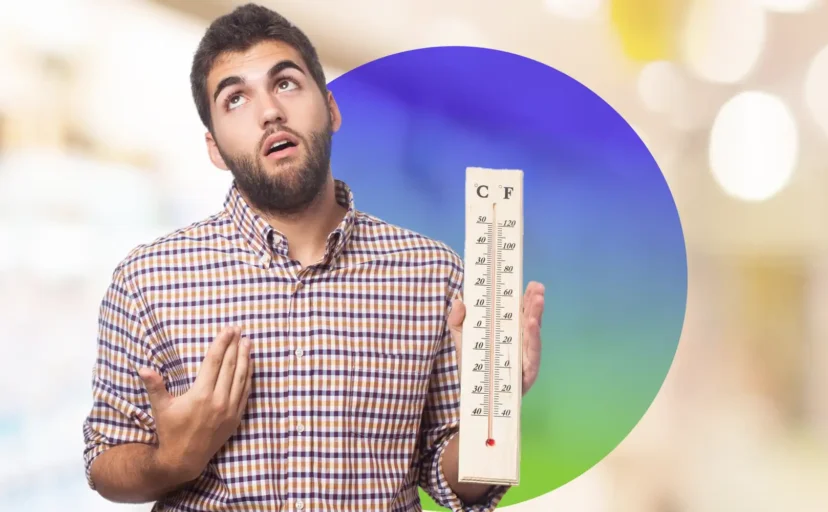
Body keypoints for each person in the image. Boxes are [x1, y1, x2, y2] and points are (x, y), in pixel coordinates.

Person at [80, 3, 545, 511]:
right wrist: (175, 460)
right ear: (214, 149)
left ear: (332, 108)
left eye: (285, 84)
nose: (269, 112)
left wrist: (493, 411)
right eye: (235, 98)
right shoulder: (147, 279)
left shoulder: (434, 274)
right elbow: (105, 462)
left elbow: (453, 483)